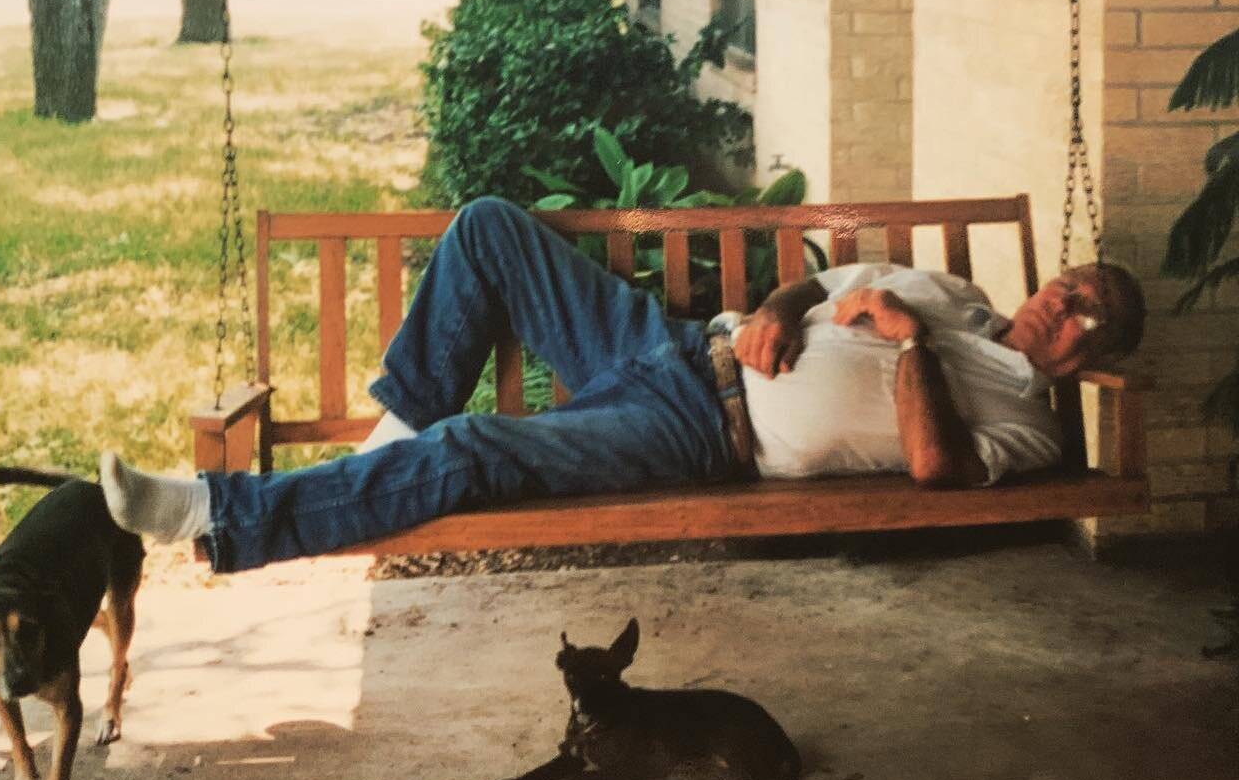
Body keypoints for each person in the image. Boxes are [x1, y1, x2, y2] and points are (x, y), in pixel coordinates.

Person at [99, 196, 1145, 572]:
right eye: (1073, 281)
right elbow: (826, 278)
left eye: (1090, 310)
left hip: (700, 433)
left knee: (475, 452)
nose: (1065, 300)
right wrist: (784, 306)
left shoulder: (1032, 425)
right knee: (491, 228)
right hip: (677, 343)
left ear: (1091, 348)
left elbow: (934, 468)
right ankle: (386, 446)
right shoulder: (956, 289)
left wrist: (906, 338)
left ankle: (207, 513)